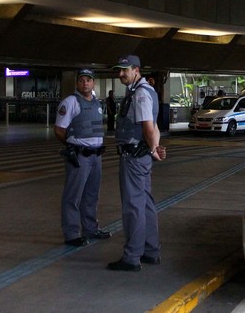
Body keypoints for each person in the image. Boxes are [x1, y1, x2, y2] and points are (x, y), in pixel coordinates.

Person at [108, 54, 167, 272]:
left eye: (125, 70)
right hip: (141, 156)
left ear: (136, 70)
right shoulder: (143, 91)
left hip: (133, 157)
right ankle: (151, 251)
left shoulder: (140, 94)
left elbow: (149, 128)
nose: (121, 74)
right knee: (146, 204)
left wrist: (152, 149)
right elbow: (155, 127)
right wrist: (154, 150)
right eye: (119, 70)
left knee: (133, 206)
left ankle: (132, 257)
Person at [54, 69, 111, 247]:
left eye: (88, 80)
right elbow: (59, 130)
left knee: (92, 195)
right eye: (81, 81)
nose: (85, 83)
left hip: (96, 156)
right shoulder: (71, 102)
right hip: (79, 156)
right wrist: (72, 147)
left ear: (93, 83)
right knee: (73, 195)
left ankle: (90, 229)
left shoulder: (97, 103)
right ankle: (71, 234)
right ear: (77, 84)